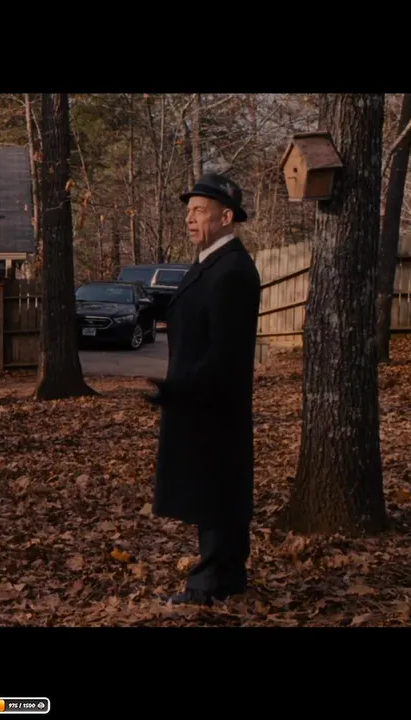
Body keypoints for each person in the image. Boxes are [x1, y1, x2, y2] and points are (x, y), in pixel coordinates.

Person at [144, 172, 261, 606]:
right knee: (211, 487)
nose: (189, 218)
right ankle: (225, 575)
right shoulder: (210, 263)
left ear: (226, 217)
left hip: (214, 402)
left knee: (217, 490)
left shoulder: (232, 271)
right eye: (188, 211)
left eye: (199, 210)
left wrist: (183, 390)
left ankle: (214, 581)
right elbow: (190, 310)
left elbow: (226, 351)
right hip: (201, 398)